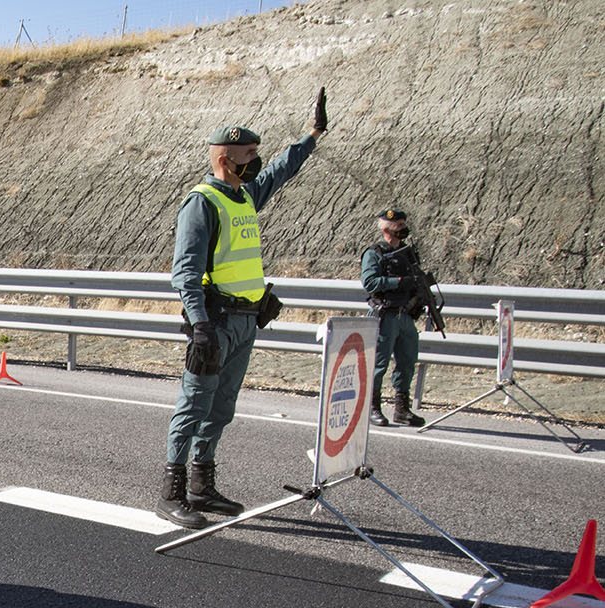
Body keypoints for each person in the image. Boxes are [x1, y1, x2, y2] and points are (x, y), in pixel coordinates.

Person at [156, 89, 329, 529]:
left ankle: (201, 485)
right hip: (213, 323)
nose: (255, 160)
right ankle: (172, 492)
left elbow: (281, 170)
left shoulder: (245, 196)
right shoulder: (202, 202)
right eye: (248, 153)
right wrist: (200, 327)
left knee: (222, 408)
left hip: (246, 320)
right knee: (194, 405)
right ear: (224, 158)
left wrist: (311, 135)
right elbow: (185, 273)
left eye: (255, 153)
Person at [360, 208, 433, 427]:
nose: (402, 228)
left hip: (405, 316)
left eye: (403, 223)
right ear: (385, 229)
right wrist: (398, 282)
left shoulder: (407, 253)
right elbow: (370, 283)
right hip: (385, 315)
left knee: (407, 362)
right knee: (378, 364)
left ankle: (402, 409)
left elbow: (417, 278)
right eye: (397, 225)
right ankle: (372, 407)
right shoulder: (375, 253)